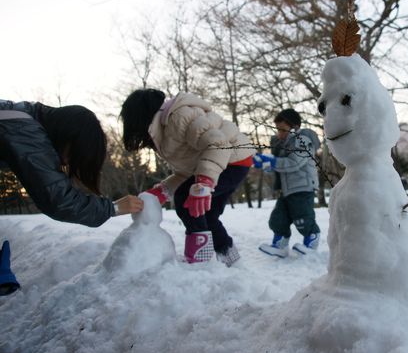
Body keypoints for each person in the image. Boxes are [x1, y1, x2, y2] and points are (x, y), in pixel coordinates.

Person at [120, 89, 255, 267]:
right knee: (208, 216)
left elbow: (217, 144)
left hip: (231, 160)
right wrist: (163, 190)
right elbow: (189, 171)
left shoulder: (178, 117)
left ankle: (200, 257)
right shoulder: (164, 133)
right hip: (230, 162)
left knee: (186, 199)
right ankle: (230, 258)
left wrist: (204, 183)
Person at [0, 100, 143, 226]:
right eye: (72, 157)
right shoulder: (27, 133)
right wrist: (113, 208)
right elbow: (60, 202)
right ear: (69, 138)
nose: (67, 162)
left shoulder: (23, 118)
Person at [254, 109, 321, 257]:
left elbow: (293, 163)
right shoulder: (281, 145)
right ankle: (280, 245)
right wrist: (265, 164)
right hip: (287, 190)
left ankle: (311, 243)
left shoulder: (302, 140)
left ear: (295, 127)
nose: (280, 134)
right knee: (278, 218)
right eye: (278, 130)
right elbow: (279, 167)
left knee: (303, 217)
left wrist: (273, 162)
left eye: (283, 130)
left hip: (302, 188)